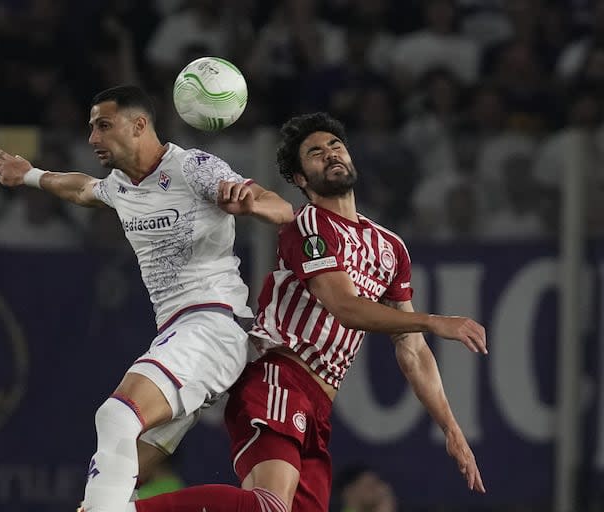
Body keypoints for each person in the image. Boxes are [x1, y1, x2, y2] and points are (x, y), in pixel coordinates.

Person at [131, 112, 487, 512]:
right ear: (300, 179)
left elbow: (411, 348)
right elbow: (345, 307)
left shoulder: (390, 247)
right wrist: (435, 320)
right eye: (314, 153)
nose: (330, 154)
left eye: (335, 146)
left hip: (318, 405)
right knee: (270, 506)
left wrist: (452, 429)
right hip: (277, 377)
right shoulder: (309, 225)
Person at [0, 85, 294, 512]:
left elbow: (278, 206)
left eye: (103, 125)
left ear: (139, 125)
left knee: (116, 416)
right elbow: (81, 190)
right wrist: (31, 175)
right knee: (122, 474)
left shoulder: (193, 168)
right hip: (181, 333)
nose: (92, 138)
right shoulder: (120, 185)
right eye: (91, 127)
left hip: (213, 323)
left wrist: (251, 202)